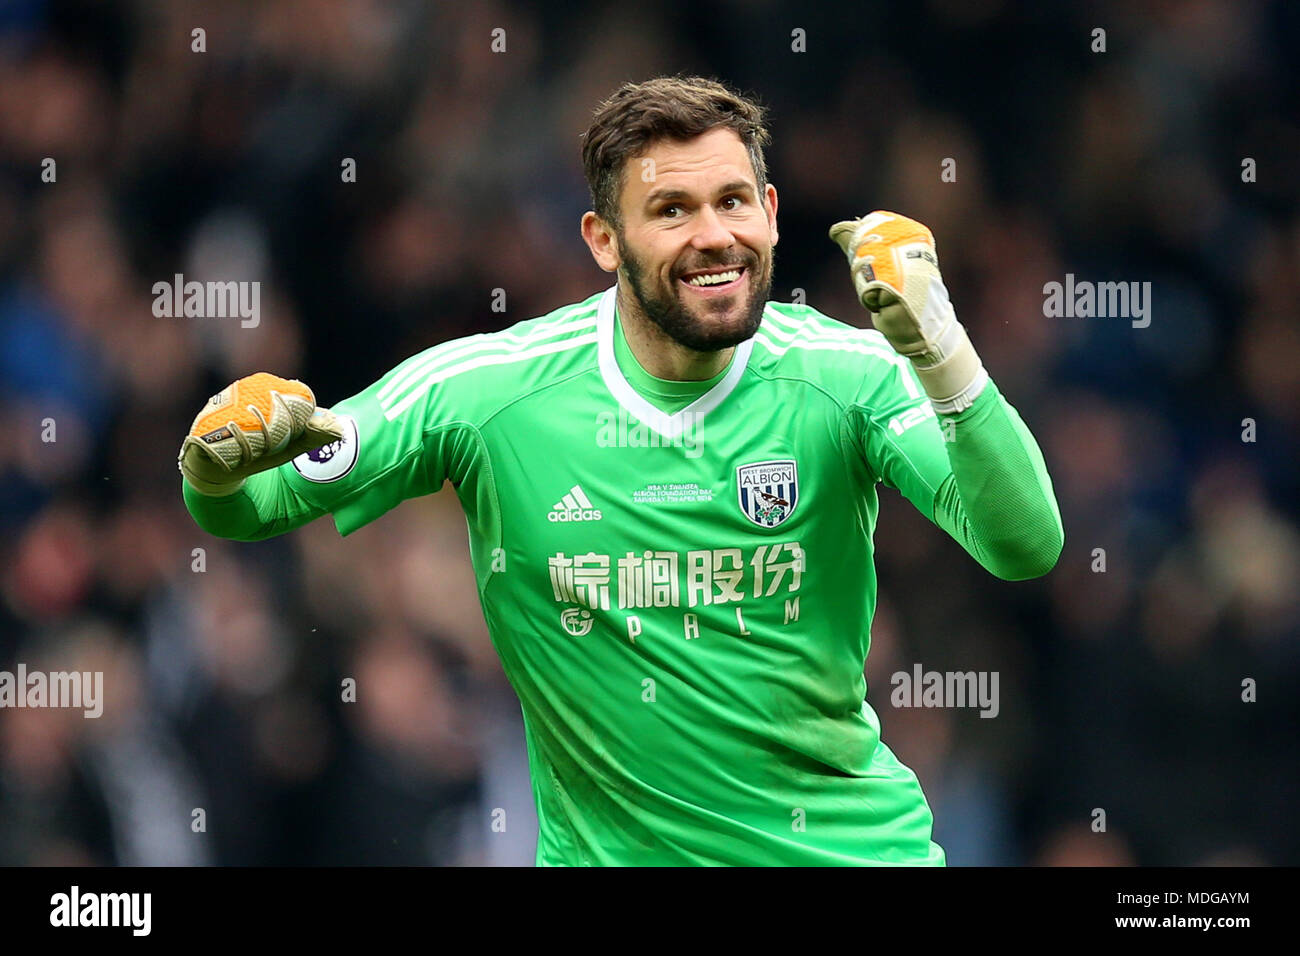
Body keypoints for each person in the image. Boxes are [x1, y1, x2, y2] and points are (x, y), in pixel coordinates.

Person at [179, 75, 1063, 866]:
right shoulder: (486, 394)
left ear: (774, 212)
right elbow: (249, 506)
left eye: (733, 201)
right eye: (672, 210)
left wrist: (942, 349)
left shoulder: (848, 375)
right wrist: (215, 463)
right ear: (604, 240)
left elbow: (1025, 543)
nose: (715, 236)